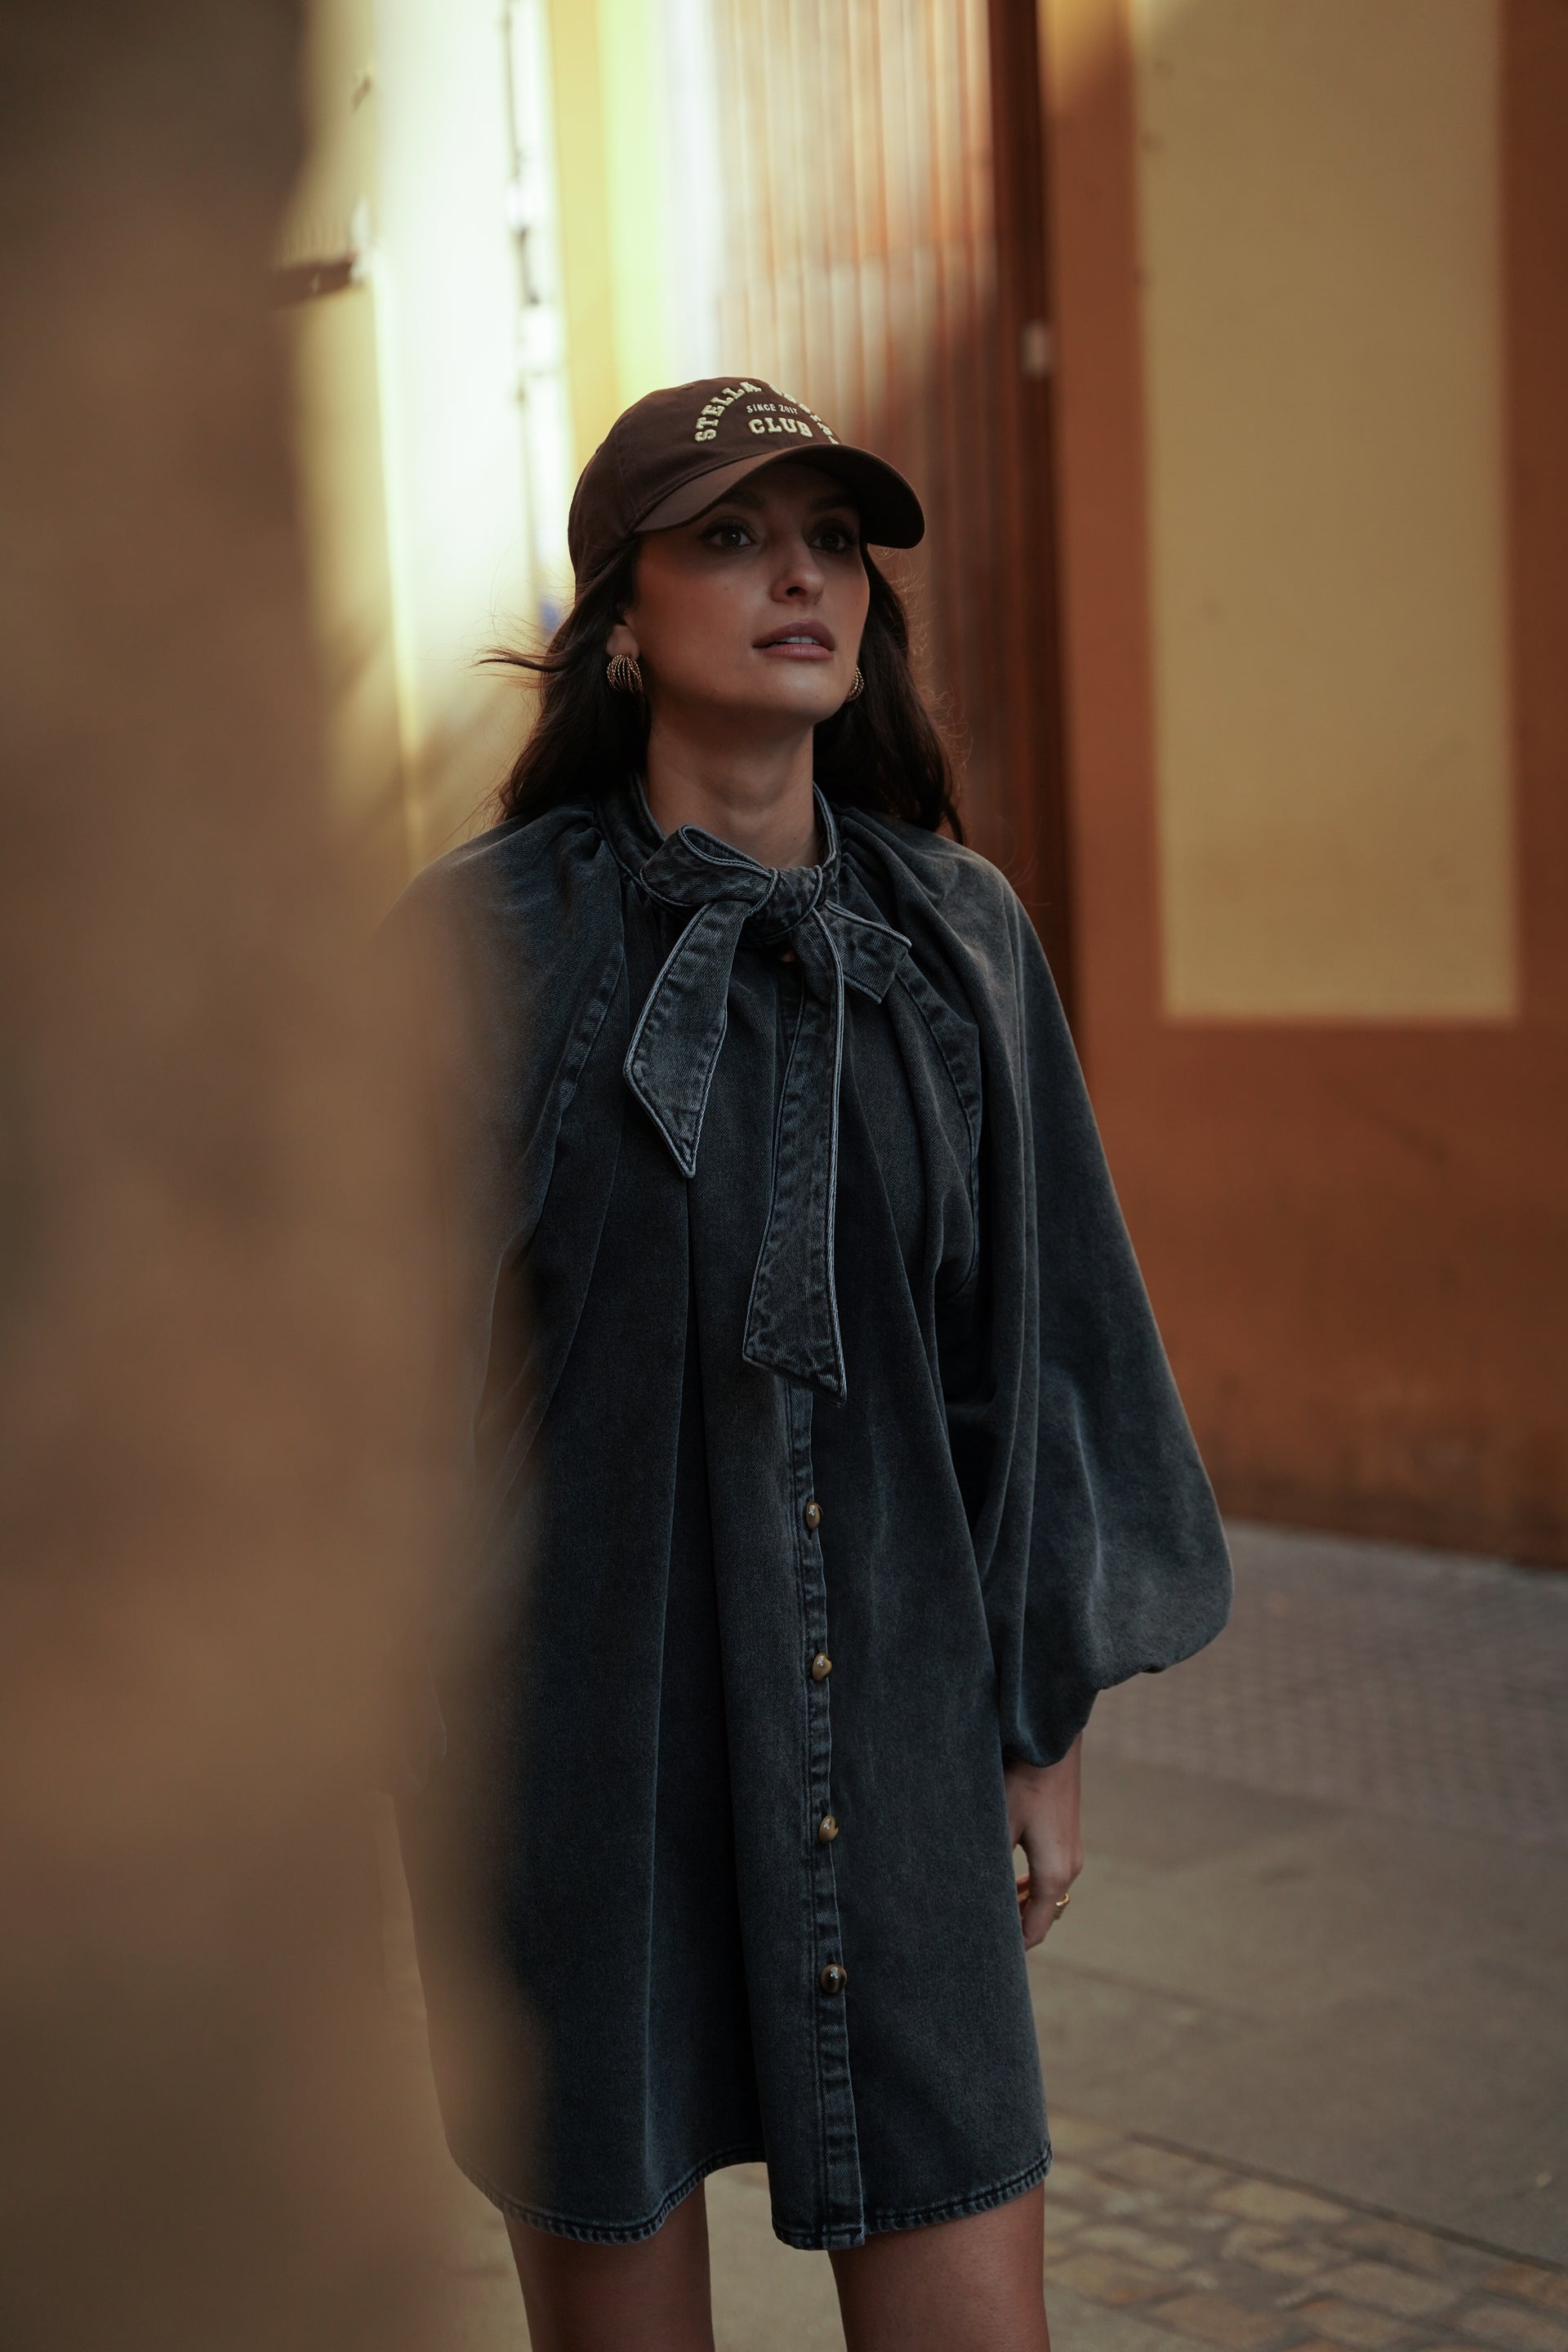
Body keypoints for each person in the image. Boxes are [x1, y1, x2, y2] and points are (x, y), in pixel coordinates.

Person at [385, 376, 1232, 2352]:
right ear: (620, 614)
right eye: (732, 537)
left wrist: (1043, 1730)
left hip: (905, 1739)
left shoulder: (961, 937)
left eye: (833, 542)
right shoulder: (480, 945)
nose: (801, 579)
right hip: (582, 1758)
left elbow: (1048, 1356)